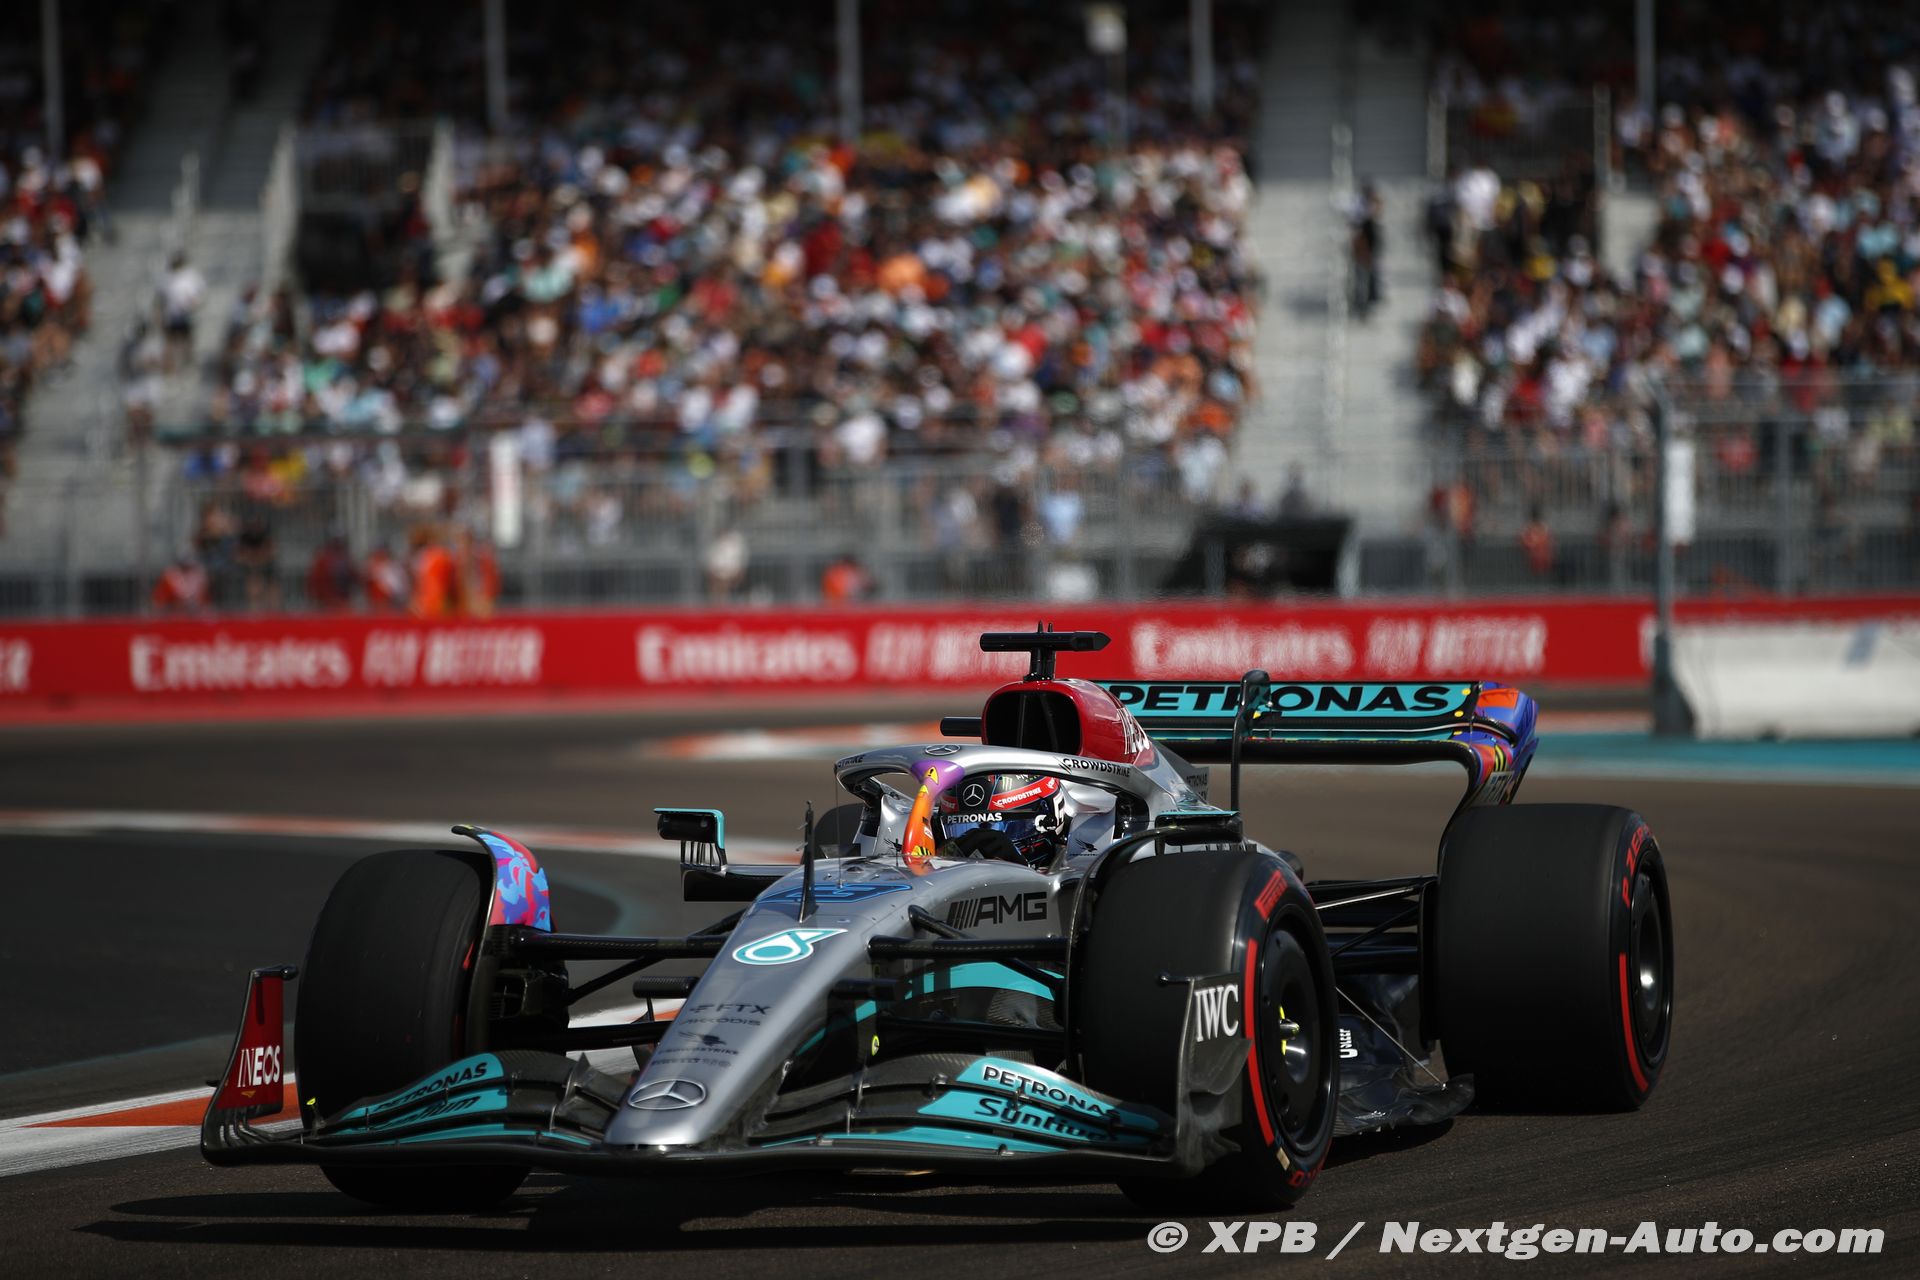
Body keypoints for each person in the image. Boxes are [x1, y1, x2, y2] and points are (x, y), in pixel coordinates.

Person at [936, 773, 1118, 866]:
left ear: (1049, 822)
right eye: (964, 828)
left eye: (1006, 827)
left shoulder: (1079, 872)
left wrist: (1020, 869)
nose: (982, 848)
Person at [306, 534, 359, 610]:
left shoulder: (345, 560)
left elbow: (355, 578)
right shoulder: (323, 561)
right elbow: (315, 582)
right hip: (328, 602)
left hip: (339, 601)